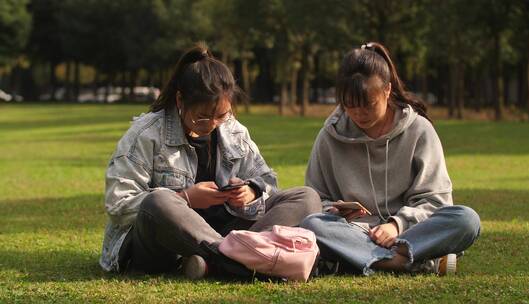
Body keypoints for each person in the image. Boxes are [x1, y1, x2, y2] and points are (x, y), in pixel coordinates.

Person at [99, 43, 321, 279]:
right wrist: (185, 198)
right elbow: (118, 204)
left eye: (221, 115)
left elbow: (267, 180)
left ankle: (217, 262)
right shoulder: (146, 134)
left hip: (222, 233)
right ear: (179, 100)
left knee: (306, 197)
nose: (212, 124)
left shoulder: (232, 129)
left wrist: (251, 191)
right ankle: (242, 261)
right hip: (165, 246)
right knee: (159, 201)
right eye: (201, 117)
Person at [300, 42, 481, 276]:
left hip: (410, 231)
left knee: (466, 219)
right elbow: (315, 200)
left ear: (387, 90)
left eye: (368, 105)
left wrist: (397, 224)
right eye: (350, 106)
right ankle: (410, 261)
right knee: (312, 225)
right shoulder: (329, 136)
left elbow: (437, 200)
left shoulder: (419, 130)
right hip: (356, 233)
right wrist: (336, 211)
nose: (358, 114)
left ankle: (370, 260)